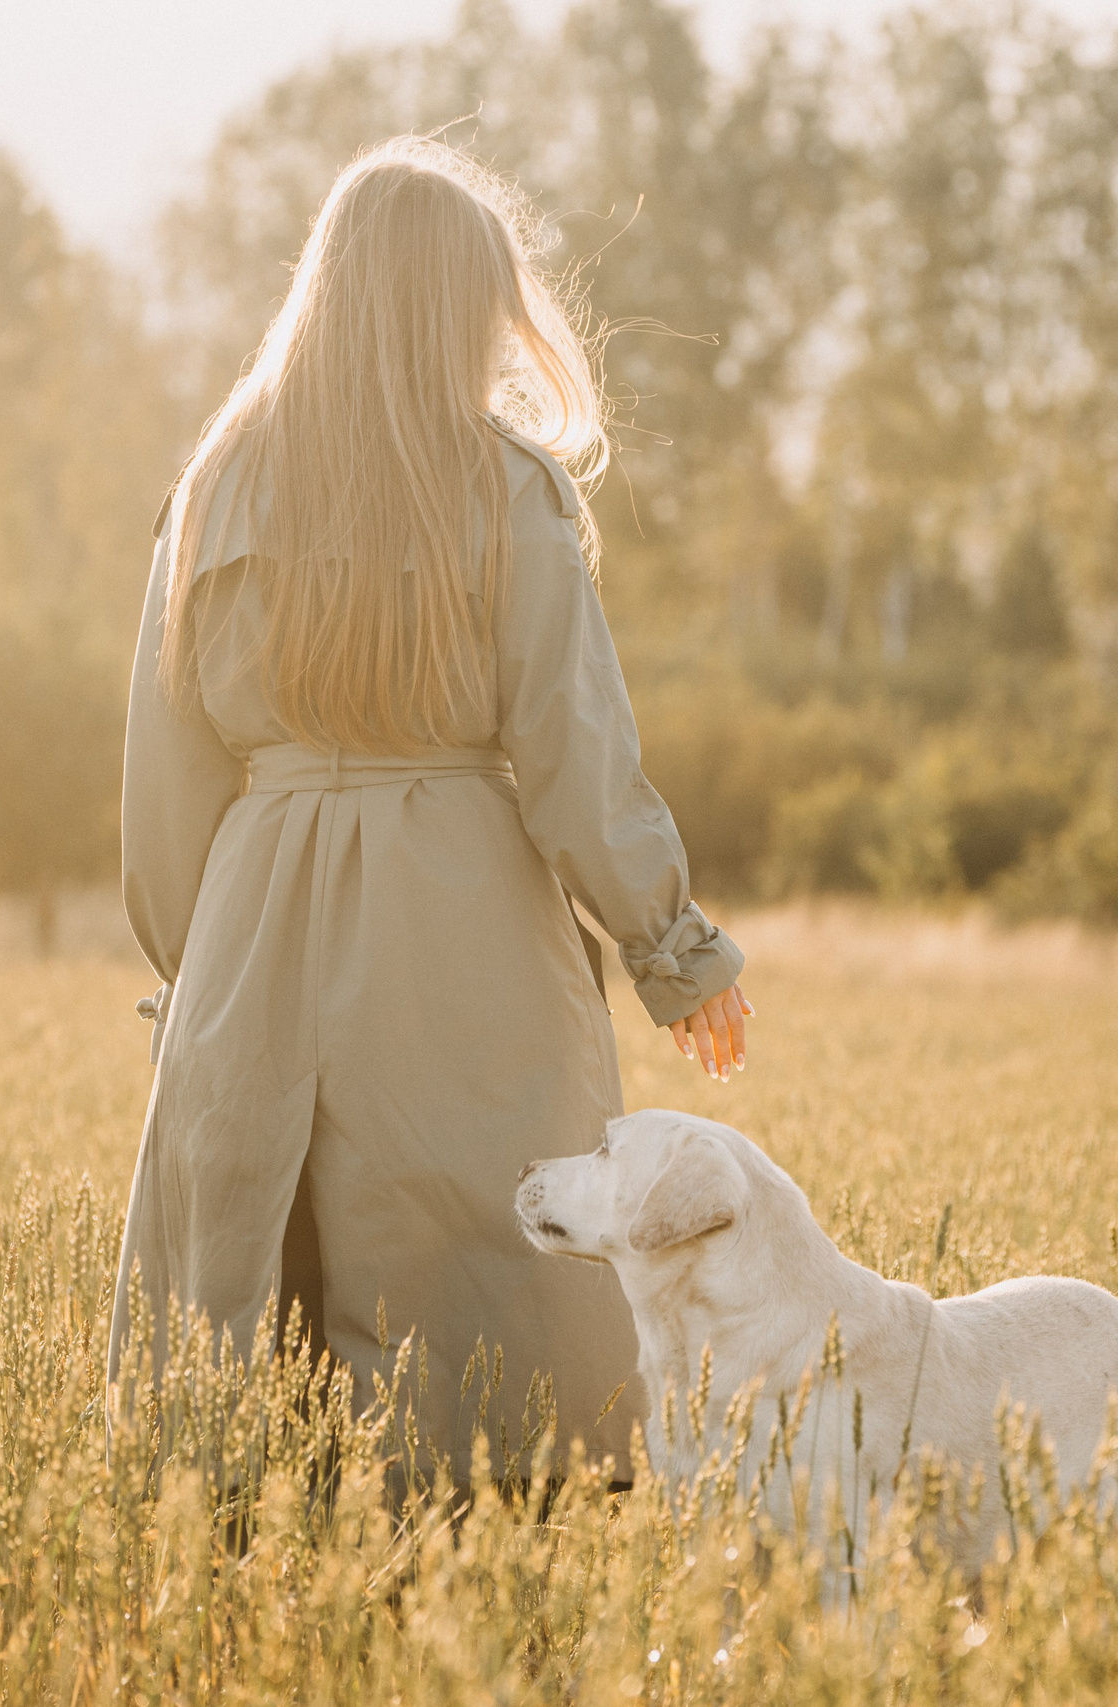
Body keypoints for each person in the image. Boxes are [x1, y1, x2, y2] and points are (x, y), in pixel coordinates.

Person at [105, 136, 748, 1475]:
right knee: (478, 1292)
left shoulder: (211, 488)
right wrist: (671, 947)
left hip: (253, 919)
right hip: (462, 931)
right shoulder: (507, 487)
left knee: (247, 1302)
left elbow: (164, 789)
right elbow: (574, 752)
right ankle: (471, 1611)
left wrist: (199, 973)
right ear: (464, 310)